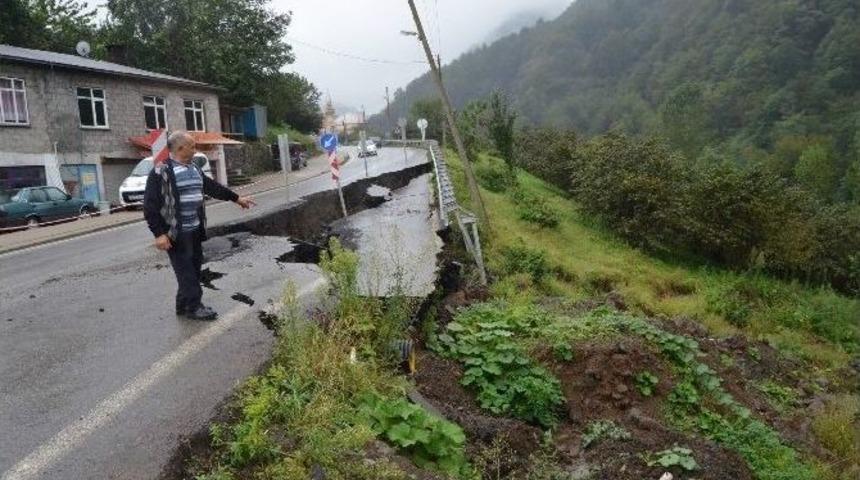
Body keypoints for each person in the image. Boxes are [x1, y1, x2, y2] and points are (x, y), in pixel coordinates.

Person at [143, 131, 256, 320]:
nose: (195, 150)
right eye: (192, 146)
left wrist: (237, 199)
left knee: (193, 269)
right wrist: (159, 234)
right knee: (186, 270)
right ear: (180, 148)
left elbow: (212, 187)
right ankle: (194, 307)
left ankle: (183, 304)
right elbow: (150, 206)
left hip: (195, 229)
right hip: (175, 233)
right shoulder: (160, 171)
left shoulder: (194, 168)